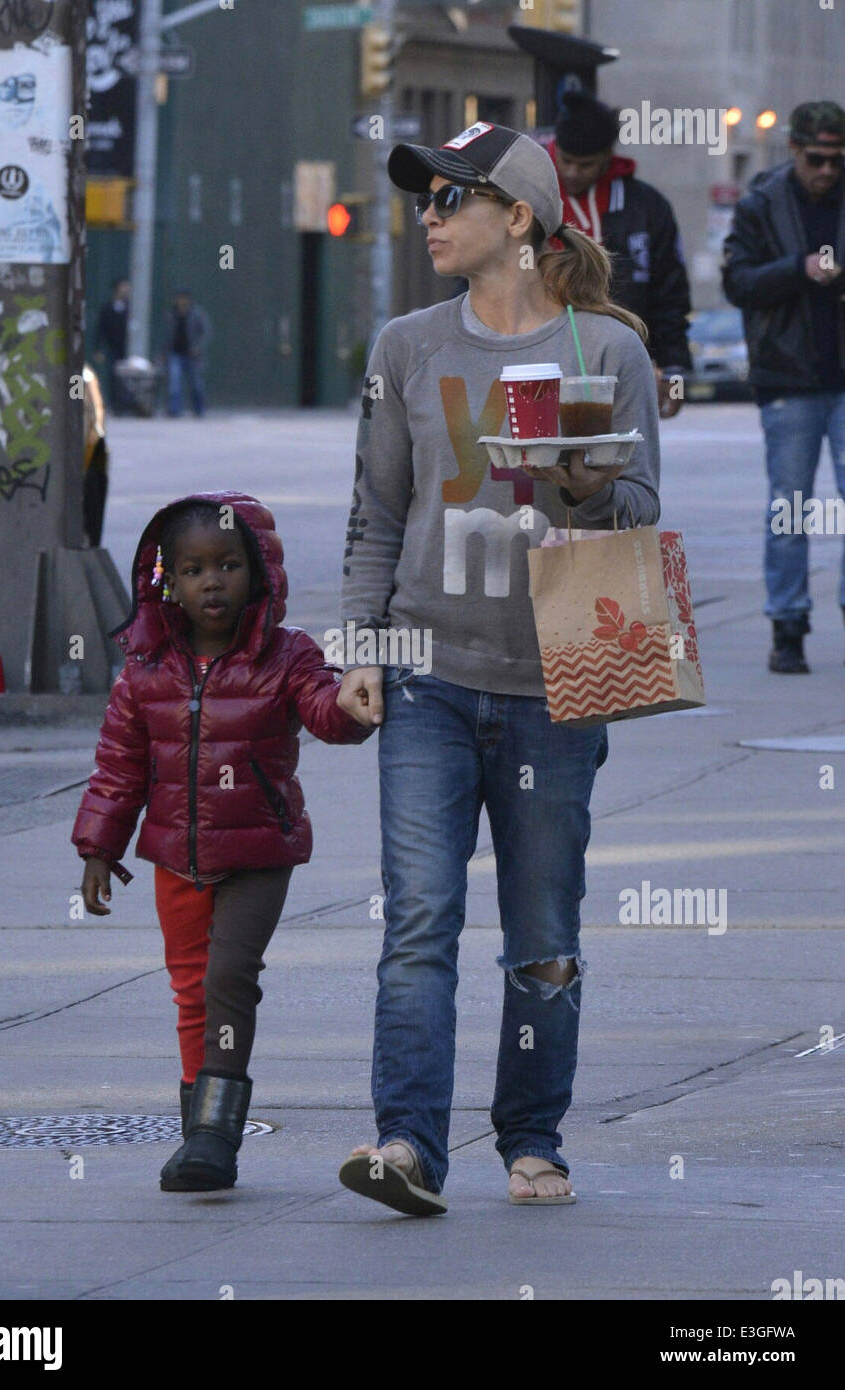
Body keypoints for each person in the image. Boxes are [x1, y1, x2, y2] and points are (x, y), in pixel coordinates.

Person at [335, 122, 661, 1214]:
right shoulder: (405, 347)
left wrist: (575, 481)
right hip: (428, 671)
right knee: (418, 919)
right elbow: (375, 513)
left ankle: (533, 1137)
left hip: (558, 679)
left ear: (516, 218)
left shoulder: (604, 353)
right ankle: (406, 1145)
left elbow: (636, 518)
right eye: (423, 200)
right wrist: (363, 648)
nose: (426, 217)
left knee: (544, 936)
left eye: (448, 198)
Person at [71, 491, 374, 1192]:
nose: (213, 582)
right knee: (190, 990)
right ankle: (197, 1131)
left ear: (259, 572)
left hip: (258, 852)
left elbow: (324, 708)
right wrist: (98, 846)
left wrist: (353, 710)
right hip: (175, 856)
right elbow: (118, 766)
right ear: (166, 581)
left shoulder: (287, 655)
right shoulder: (147, 669)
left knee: (228, 976)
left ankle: (215, 1135)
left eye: (229, 565)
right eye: (195, 569)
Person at [722, 100, 845, 674]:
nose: (827, 170)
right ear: (794, 150)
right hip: (790, 379)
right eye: (817, 158)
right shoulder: (761, 204)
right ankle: (788, 627)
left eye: (838, 159)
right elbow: (738, 282)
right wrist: (800, 268)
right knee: (790, 509)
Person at [547, 90, 693, 420]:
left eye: (585, 165)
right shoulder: (532, 203)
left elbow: (670, 295)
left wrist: (676, 373)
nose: (572, 172)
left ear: (607, 156)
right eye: (565, 159)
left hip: (623, 363)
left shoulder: (646, 207)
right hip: (544, 361)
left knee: (626, 464)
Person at [164, 289, 212, 418]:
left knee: (196, 384)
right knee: (174, 383)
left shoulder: (197, 314)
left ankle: (199, 410)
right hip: (175, 354)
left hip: (192, 355)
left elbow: (205, 333)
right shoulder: (171, 314)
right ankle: (174, 410)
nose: (181, 301)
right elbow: (166, 335)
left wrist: (198, 347)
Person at [93, 277, 132, 414]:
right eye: (123, 287)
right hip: (112, 347)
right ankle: (116, 404)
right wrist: (98, 348)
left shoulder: (131, 307)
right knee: (113, 376)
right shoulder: (107, 307)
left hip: (127, 348)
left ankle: (127, 404)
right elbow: (101, 329)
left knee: (127, 377)